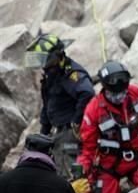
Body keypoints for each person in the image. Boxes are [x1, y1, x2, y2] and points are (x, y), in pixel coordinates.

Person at [77, 60, 138, 193]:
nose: (119, 97)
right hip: (110, 166)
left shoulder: (135, 94)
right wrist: (82, 172)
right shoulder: (94, 109)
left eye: (123, 92)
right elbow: (88, 148)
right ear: (105, 88)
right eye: (115, 94)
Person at [24, 33, 94, 177]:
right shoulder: (52, 73)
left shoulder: (70, 73)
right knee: (55, 165)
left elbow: (87, 93)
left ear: (56, 56)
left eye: (44, 58)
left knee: (68, 170)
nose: (41, 63)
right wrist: (44, 130)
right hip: (58, 129)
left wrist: (76, 122)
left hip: (69, 131)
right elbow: (48, 102)